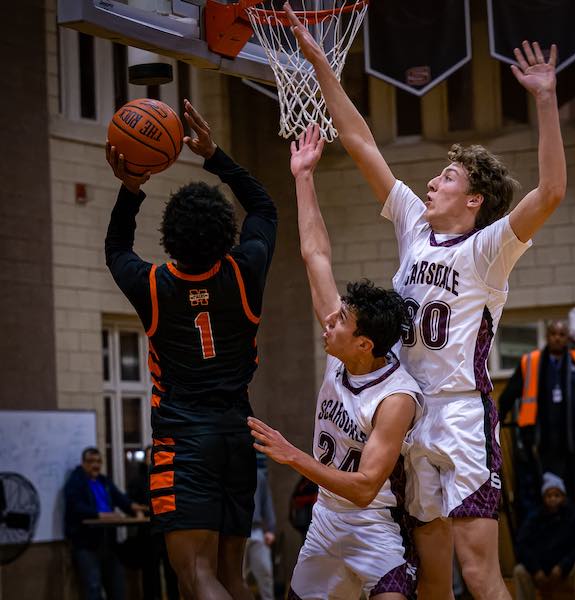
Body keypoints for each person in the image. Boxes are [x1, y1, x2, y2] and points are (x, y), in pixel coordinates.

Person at [284, 5, 567, 598]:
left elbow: (552, 191)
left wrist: (544, 101)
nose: (433, 182)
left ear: (473, 201)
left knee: (479, 570)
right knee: (432, 572)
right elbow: (360, 141)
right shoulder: (414, 225)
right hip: (407, 410)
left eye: (447, 177)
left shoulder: (490, 248)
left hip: (461, 414)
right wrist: (319, 64)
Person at [105, 99, 278, 600]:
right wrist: (215, 155)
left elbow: (116, 249)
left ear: (171, 237)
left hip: (184, 440)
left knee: (197, 577)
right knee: (231, 577)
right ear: (225, 234)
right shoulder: (245, 270)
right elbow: (264, 207)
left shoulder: (155, 286)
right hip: (237, 433)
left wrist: (131, 185)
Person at [249, 124, 423, 600]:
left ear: (364, 342)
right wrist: (304, 176)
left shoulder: (397, 397)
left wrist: (293, 456)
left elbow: (367, 486)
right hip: (325, 523)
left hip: (374, 526)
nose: (329, 321)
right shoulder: (339, 354)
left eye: (341, 319)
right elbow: (316, 255)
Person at [499, 321, 575, 514]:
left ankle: (569, 529)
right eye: (553, 334)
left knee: (570, 491)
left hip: (572, 440)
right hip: (538, 440)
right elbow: (509, 394)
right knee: (539, 492)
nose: (557, 338)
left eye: (561, 334)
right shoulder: (531, 361)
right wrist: (497, 419)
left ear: (567, 338)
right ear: (547, 336)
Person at [64, 447, 146, 600]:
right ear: (83, 463)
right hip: (86, 543)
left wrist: (136, 508)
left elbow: (121, 499)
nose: (95, 465)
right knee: (93, 586)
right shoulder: (76, 481)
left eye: (98, 461)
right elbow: (76, 506)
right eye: (91, 462)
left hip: (107, 541)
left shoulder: (104, 481)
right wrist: (100, 515)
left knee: (117, 586)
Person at [513, 472, 575, 600]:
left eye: (557, 495)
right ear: (543, 497)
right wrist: (536, 569)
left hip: (567, 569)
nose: (553, 499)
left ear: (563, 497)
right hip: (541, 571)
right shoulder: (534, 517)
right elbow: (522, 545)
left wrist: (563, 566)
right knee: (519, 571)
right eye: (549, 495)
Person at [128, 446, 179, 600]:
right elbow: (131, 502)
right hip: (147, 530)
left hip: (167, 528)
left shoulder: (169, 477)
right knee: (150, 571)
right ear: (145, 459)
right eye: (150, 456)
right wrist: (140, 509)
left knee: (172, 571)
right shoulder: (138, 479)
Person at [244, 452, 277, 600]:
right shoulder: (229, 476)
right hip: (236, 532)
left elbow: (267, 503)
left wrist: (270, 529)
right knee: (237, 576)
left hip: (256, 530)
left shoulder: (259, 477)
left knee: (265, 572)